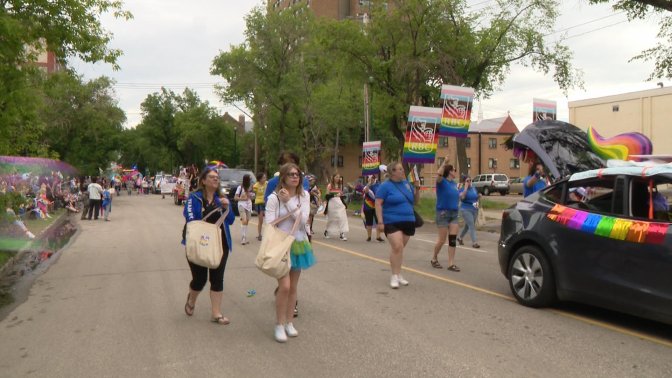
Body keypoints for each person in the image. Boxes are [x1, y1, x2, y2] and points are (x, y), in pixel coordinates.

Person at [265, 163, 315, 343]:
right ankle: (279, 324)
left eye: (298, 174)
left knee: (293, 287)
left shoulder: (304, 196)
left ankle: (289, 322)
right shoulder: (273, 198)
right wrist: (283, 202)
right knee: (284, 286)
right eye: (291, 174)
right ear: (283, 178)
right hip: (280, 245)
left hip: (298, 243)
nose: (295, 177)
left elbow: (302, 222)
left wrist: (288, 202)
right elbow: (270, 223)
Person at [182, 168, 235, 325]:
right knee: (200, 279)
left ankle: (216, 313)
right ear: (203, 181)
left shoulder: (222, 199)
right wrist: (211, 210)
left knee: (217, 278)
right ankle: (191, 300)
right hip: (198, 243)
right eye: (211, 177)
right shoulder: (194, 198)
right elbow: (190, 217)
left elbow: (231, 220)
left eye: (217, 177)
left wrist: (227, 208)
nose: (215, 180)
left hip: (219, 244)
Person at [375, 162, 419, 288]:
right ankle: (394, 276)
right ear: (393, 172)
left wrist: (417, 188)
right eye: (400, 169)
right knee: (397, 246)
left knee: (399, 249)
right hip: (391, 220)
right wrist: (380, 221)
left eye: (402, 168)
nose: (402, 171)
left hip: (408, 220)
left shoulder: (406, 184)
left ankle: (398, 274)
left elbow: (415, 201)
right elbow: (378, 203)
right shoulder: (385, 186)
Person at [431, 159, 460, 271]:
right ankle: (434, 258)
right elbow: (438, 175)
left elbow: (456, 196)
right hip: (443, 213)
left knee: (452, 239)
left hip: (454, 214)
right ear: (449, 171)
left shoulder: (454, 184)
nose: (455, 171)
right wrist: (444, 163)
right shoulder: (441, 182)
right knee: (442, 240)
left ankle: (451, 263)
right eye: (454, 170)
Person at [457, 176, 480, 248]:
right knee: (472, 226)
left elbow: (475, 197)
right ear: (464, 182)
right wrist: (466, 189)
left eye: (470, 180)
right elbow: (462, 198)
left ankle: (460, 238)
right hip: (466, 209)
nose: (469, 182)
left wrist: (479, 196)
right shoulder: (461, 190)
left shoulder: (473, 189)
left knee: (467, 226)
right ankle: (474, 242)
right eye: (467, 181)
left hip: (475, 209)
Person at [324, 173, 349, 241]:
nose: (338, 178)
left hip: (339, 204)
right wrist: (334, 195)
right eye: (336, 177)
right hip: (332, 203)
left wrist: (344, 202)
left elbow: (340, 196)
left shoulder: (340, 186)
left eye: (339, 177)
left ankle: (342, 233)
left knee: (341, 217)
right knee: (332, 219)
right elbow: (326, 196)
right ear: (333, 178)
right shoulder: (330, 185)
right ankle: (327, 231)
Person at [362, 175, 384, 242]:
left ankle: (378, 236)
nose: (371, 180)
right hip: (368, 206)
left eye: (372, 179)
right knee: (369, 222)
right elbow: (365, 191)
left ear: (375, 179)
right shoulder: (367, 186)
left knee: (378, 221)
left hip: (376, 206)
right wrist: (369, 183)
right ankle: (369, 236)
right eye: (369, 179)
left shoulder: (378, 185)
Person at [234, 174, 253, 245]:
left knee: (247, 221)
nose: (251, 181)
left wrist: (251, 195)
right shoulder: (240, 187)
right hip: (241, 205)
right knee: (244, 220)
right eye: (250, 179)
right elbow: (235, 197)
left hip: (249, 205)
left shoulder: (251, 187)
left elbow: (252, 196)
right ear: (246, 180)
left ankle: (245, 236)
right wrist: (243, 198)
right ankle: (243, 237)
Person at [252, 173, 268, 241]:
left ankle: (268, 234)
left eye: (265, 177)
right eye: (263, 178)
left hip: (266, 202)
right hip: (259, 203)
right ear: (260, 179)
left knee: (268, 219)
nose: (265, 179)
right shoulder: (255, 186)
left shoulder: (267, 183)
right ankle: (259, 234)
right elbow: (253, 195)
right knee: (260, 220)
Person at [307, 175, 321, 239]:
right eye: (311, 180)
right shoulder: (306, 187)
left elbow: (318, 193)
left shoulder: (314, 187)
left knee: (311, 216)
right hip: (307, 202)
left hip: (312, 202)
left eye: (313, 180)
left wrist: (318, 196)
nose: (313, 181)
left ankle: (310, 228)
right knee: (309, 216)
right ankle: (308, 228)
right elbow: (310, 193)